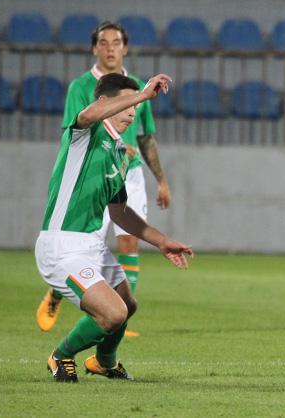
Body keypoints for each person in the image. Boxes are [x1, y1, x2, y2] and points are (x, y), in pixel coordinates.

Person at [35, 72, 193, 382]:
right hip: (61, 246)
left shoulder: (119, 153)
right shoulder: (85, 134)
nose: (133, 111)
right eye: (127, 103)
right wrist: (143, 94)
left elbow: (120, 213)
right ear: (105, 102)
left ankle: (104, 361)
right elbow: (88, 114)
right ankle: (61, 355)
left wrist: (161, 241)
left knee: (128, 304)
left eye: (135, 106)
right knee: (113, 313)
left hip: (91, 247)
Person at [36, 21, 172, 337]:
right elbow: (82, 122)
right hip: (84, 188)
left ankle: (113, 332)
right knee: (94, 262)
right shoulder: (85, 90)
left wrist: (161, 184)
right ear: (94, 48)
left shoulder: (134, 90)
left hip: (123, 168)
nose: (110, 48)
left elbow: (145, 137)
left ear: (125, 47)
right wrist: (140, 96)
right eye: (103, 42)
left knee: (127, 249)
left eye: (116, 42)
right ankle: (71, 307)